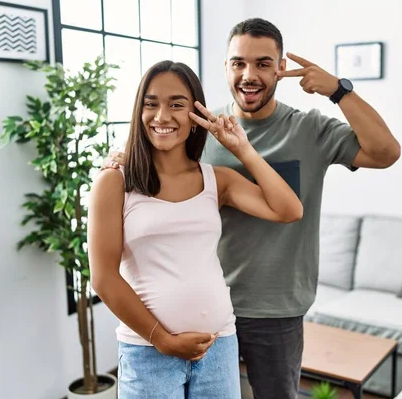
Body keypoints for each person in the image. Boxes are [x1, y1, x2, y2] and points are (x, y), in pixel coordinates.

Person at [104, 18, 400, 399]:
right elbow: (157, 164)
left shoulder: (308, 130)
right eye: (238, 63)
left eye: (263, 63)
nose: (249, 74)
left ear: (280, 68)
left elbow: (385, 153)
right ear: (225, 68)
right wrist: (122, 158)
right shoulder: (200, 131)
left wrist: (339, 91)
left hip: (275, 308)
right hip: (208, 305)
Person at [87, 60, 303, 399]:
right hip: (148, 351)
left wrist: (241, 148)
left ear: (195, 115)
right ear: (138, 111)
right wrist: (163, 339)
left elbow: (289, 210)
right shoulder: (115, 181)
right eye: (151, 103)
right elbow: (103, 278)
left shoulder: (217, 179)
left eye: (176, 104)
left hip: (219, 344)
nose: (162, 116)